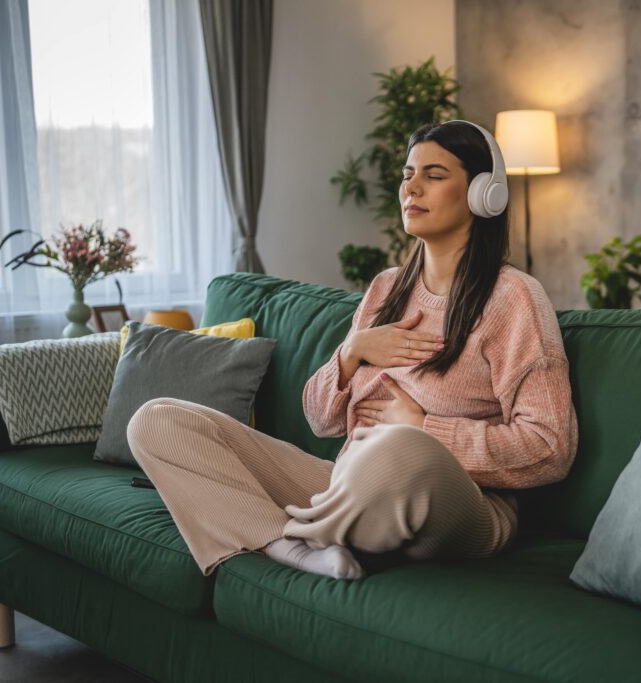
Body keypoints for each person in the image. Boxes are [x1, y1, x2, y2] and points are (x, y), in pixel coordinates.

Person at [125, 120, 579, 580]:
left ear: (485, 193)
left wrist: (425, 428)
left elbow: (549, 448)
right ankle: (289, 543)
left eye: (434, 175)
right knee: (157, 420)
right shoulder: (386, 289)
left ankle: (301, 526)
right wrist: (352, 352)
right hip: (350, 481)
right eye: (407, 175)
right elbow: (321, 419)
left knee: (401, 446)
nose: (412, 188)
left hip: (462, 506)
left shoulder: (513, 298)